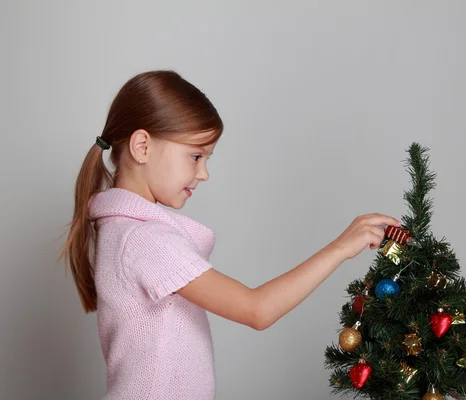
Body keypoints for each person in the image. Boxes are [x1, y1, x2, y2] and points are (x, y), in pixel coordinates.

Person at [60, 70, 400, 399]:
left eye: (206, 158)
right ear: (142, 146)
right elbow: (257, 310)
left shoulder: (123, 232)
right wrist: (340, 248)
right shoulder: (144, 240)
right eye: (195, 156)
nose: (203, 173)